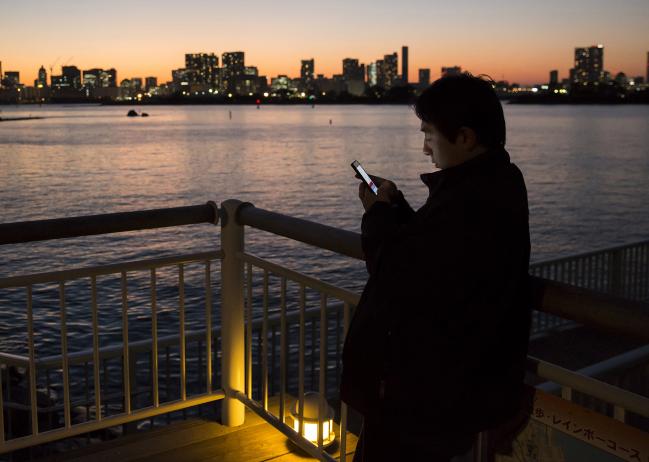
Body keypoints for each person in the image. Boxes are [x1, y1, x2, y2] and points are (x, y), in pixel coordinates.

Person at [341, 73, 532, 461]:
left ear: (465, 137)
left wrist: (376, 216)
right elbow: (433, 252)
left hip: (428, 395)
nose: (425, 149)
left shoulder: (474, 199)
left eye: (429, 135)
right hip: (440, 390)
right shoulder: (488, 184)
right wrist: (395, 207)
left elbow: (400, 274)